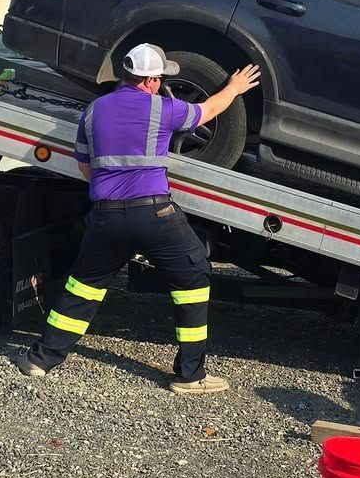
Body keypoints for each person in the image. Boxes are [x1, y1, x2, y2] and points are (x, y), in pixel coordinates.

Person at [19, 43, 260, 392]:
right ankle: (190, 375)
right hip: (155, 215)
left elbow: (85, 164)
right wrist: (234, 89)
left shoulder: (94, 111)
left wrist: (110, 194)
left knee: (83, 286)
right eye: (160, 78)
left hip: (105, 217)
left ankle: (40, 360)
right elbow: (208, 111)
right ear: (149, 81)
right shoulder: (162, 109)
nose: (161, 84)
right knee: (193, 279)